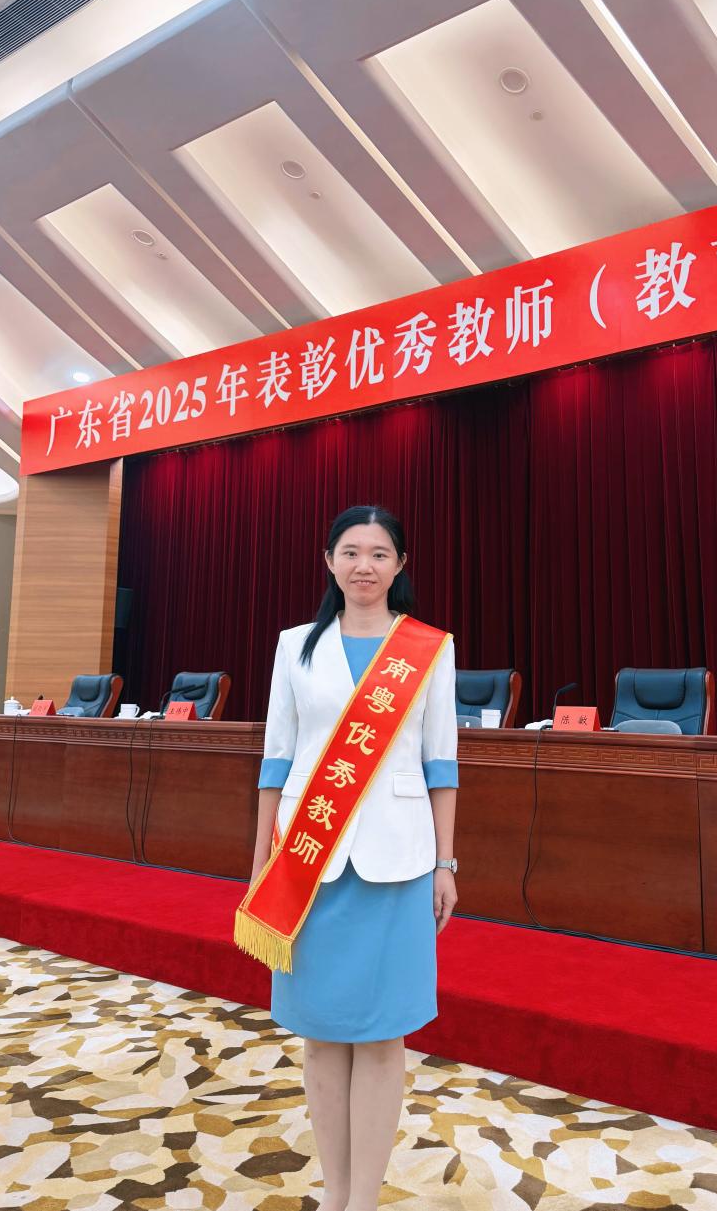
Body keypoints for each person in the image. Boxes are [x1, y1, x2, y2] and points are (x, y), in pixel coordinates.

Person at [242, 504, 458, 1211]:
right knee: (321, 1036)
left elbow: (441, 765)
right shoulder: (294, 647)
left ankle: (362, 1200)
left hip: (399, 863)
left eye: (379, 553)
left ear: (400, 565)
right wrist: (260, 860)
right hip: (310, 860)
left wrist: (446, 863)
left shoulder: (428, 647)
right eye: (351, 551)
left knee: (383, 1039)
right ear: (329, 561)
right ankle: (335, 1195)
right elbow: (276, 759)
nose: (364, 565)